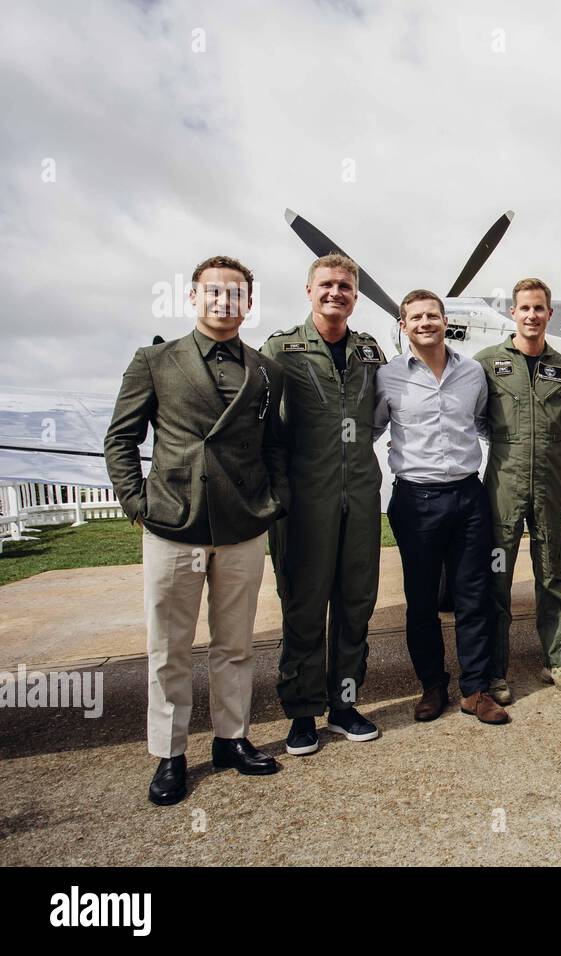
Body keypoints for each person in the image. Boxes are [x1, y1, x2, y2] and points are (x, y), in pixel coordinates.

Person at [104, 254, 287, 805]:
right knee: (170, 648)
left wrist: (274, 501)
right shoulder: (155, 360)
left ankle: (232, 739)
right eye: (214, 292)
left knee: (235, 643)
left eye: (236, 294)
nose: (224, 302)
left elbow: (275, 446)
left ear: (248, 304)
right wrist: (138, 503)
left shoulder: (264, 371)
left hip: (242, 525)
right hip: (173, 523)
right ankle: (170, 752)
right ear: (194, 297)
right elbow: (121, 439)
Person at [261, 254, 386, 755]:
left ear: (355, 296)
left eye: (346, 286)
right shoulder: (281, 348)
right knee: (304, 606)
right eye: (328, 285)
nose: (337, 292)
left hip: (359, 492)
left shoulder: (370, 351)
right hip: (304, 497)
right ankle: (302, 713)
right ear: (309, 290)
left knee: (356, 603)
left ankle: (345, 705)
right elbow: (264, 426)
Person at [375, 290, 507, 724]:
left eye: (432, 314)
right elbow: (372, 428)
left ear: (444, 319)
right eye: (416, 317)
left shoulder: (472, 372)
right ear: (403, 324)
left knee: (474, 596)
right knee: (421, 600)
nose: (425, 322)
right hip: (416, 500)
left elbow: (486, 424)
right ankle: (433, 686)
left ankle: (475, 689)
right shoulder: (388, 377)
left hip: (468, 496)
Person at [475, 278, 561, 698]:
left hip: (552, 485)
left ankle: (556, 661)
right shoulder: (486, 362)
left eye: (539, 308)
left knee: (552, 576)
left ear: (549, 314)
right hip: (504, 485)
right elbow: (473, 419)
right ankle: (494, 671)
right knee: (497, 577)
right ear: (513, 312)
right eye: (524, 308)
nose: (531, 315)